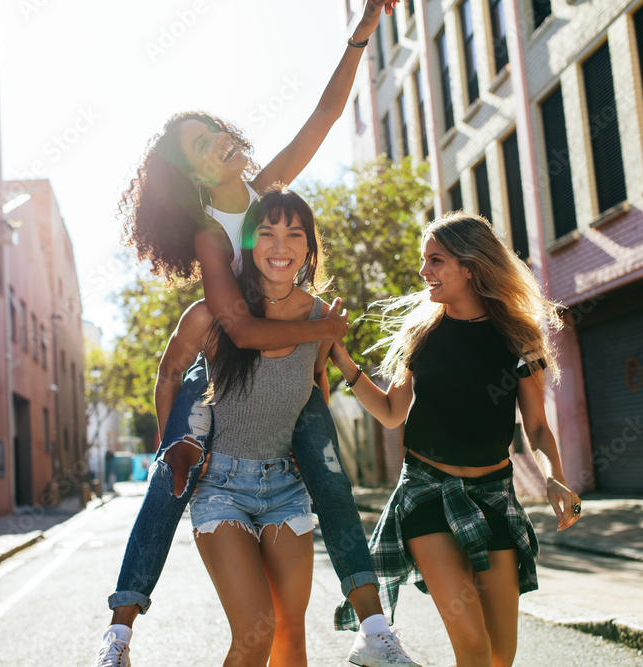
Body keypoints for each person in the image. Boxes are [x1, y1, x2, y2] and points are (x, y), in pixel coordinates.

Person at [95, 3, 418, 666]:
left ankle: (373, 629)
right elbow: (236, 324)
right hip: (219, 366)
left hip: (284, 370)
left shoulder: (267, 192)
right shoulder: (213, 226)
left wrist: (359, 35)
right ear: (193, 174)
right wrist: (324, 325)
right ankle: (120, 632)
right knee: (171, 475)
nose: (214, 137)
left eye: (211, 127)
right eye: (196, 144)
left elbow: (325, 117)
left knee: (328, 472)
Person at [329, 213, 583, 667]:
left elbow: (538, 427)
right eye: (424, 261)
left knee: (500, 655)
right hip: (427, 495)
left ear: (470, 266)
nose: (424, 271)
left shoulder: (518, 338)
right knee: (473, 648)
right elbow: (391, 412)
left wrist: (554, 479)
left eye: (435, 260)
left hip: (494, 496)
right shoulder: (422, 335)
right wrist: (344, 363)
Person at [157, 186, 332, 665]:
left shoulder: (320, 317)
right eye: (267, 233)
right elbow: (169, 371)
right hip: (220, 486)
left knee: (291, 636)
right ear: (248, 244)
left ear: (309, 247)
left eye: (294, 234)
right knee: (256, 632)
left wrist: (309, 447)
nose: (280, 245)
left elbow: (317, 385)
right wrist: (172, 445)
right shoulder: (214, 315)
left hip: (286, 485)